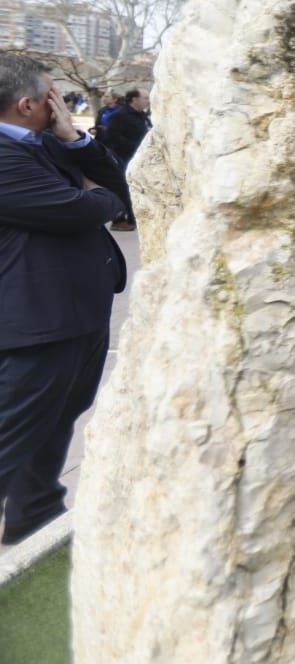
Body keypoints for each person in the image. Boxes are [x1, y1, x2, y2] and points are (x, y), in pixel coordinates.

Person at [0, 55, 129, 545]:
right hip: (36, 321)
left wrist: (76, 141)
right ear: (28, 104)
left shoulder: (45, 142)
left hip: (75, 313)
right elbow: (81, 208)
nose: (60, 104)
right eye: (52, 95)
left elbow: (115, 180)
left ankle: (34, 516)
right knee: (11, 433)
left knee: (55, 422)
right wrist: (104, 198)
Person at [102, 88, 153, 231]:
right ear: (134, 99)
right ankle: (120, 219)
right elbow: (112, 137)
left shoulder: (142, 116)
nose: (148, 101)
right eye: (145, 98)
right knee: (124, 189)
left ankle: (135, 217)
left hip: (140, 158)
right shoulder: (119, 116)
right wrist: (135, 147)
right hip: (124, 158)